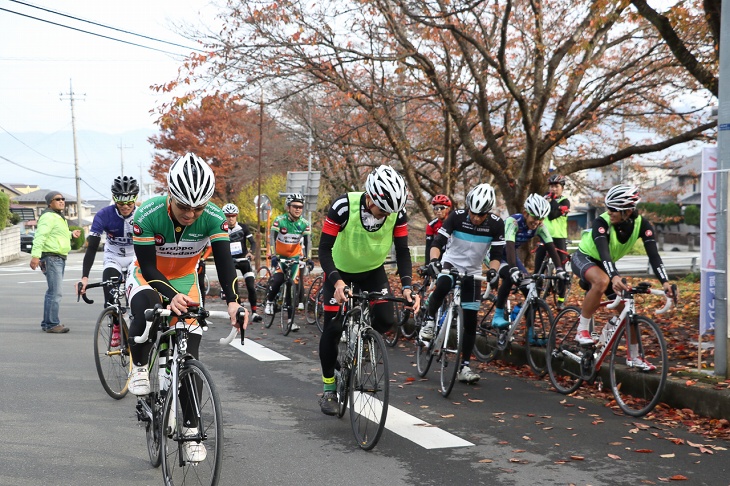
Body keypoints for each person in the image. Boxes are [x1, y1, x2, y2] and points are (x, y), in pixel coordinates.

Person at [126, 153, 248, 462]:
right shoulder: (147, 215)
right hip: (148, 278)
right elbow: (150, 269)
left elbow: (225, 265)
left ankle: (193, 430)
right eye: (183, 206)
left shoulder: (214, 217)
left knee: (188, 356)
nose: (191, 214)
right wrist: (168, 298)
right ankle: (139, 365)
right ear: (170, 195)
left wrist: (234, 303)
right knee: (149, 308)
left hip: (184, 280)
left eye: (198, 207)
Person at [318, 165, 418, 415]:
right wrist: (338, 282)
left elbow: (403, 251)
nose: (386, 215)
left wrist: (407, 287)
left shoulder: (397, 213)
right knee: (332, 329)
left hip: (373, 271)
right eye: (382, 210)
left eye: (390, 212)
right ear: (370, 197)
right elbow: (323, 250)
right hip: (339, 272)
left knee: (386, 319)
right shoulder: (343, 207)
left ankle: (362, 342)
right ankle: (329, 388)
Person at [571, 184, 676, 370]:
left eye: (613, 209)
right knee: (602, 281)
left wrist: (665, 282)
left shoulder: (643, 225)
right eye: (607, 208)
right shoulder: (602, 223)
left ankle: (634, 357)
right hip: (584, 258)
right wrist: (614, 276)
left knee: (628, 310)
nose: (608, 212)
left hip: (606, 266)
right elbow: (604, 253)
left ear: (627, 211)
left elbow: (654, 256)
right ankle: (582, 330)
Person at [418, 183, 504, 384]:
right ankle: (429, 320)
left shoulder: (496, 224)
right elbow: (437, 243)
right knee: (444, 284)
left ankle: (464, 367)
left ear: (488, 212)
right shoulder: (456, 216)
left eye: (481, 215)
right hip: (451, 263)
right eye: (472, 213)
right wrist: (433, 262)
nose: (475, 218)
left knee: (471, 320)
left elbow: (497, 255)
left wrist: (493, 271)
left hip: (472, 271)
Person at [490, 194, 567, 330]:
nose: (537, 222)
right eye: (535, 218)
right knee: (509, 276)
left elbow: (551, 247)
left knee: (530, 289)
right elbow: (509, 245)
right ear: (525, 213)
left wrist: (560, 269)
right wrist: (513, 269)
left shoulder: (540, 226)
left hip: (512, 254)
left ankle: (530, 332)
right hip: (495, 254)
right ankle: (498, 315)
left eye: (541, 219)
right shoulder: (513, 222)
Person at [77, 176, 139, 345]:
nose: (125, 207)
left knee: (137, 296)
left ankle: (138, 326)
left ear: (135, 199)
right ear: (114, 199)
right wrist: (84, 277)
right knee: (110, 295)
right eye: (121, 203)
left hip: (135, 257)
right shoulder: (104, 215)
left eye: (129, 203)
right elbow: (91, 248)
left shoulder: (142, 215)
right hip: (113, 257)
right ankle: (117, 326)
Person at [30, 191, 82, 333]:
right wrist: (35, 256)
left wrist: (71, 234)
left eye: (63, 199)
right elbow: (40, 236)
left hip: (58, 257)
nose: (62, 201)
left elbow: (57, 235)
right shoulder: (48, 217)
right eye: (57, 199)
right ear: (49, 203)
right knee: (56, 292)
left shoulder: (58, 217)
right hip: (52, 257)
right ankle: (52, 324)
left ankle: (48, 323)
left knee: (52, 292)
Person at [263, 193, 311, 331]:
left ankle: (291, 321)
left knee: (292, 288)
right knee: (278, 280)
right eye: (295, 206)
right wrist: (273, 255)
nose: (298, 209)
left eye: (300, 207)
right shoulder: (280, 220)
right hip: (279, 256)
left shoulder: (304, 224)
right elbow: (272, 237)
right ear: (288, 207)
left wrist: (307, 258)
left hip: (294, 257)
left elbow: (308, 241)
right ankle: (270, 301)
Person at [221, 203, 263, 322]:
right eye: (228, 216)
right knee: (234, 288)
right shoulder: (221, 229)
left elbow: (253, 243)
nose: (231, 218)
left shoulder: (243, 227)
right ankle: (238, 309)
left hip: (243, 260)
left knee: (251, 287)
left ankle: (254, 312)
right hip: (230, 262)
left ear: (236, 216)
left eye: (233, 216)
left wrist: (251, 253)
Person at [534, 174, 571, 309]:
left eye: (556, 186)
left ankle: (561, 298)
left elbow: (553, 214)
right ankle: (535, 296)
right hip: (544, 236)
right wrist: (547, 200)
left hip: (558, 238)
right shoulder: (545, 198)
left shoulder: (565, 202)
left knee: (560, 269)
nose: (553, 189)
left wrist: (552, 200)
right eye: (551, 186)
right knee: (537, 268)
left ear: (562, 188)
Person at [425, 194, 452, 263]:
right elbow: (429, 247)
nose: (438, 211)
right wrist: (427, 265)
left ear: (448, 209)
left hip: (454, 253)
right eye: (436, 208)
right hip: (440, 252)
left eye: (442, 208)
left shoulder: (455, 222)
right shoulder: (431, 225)